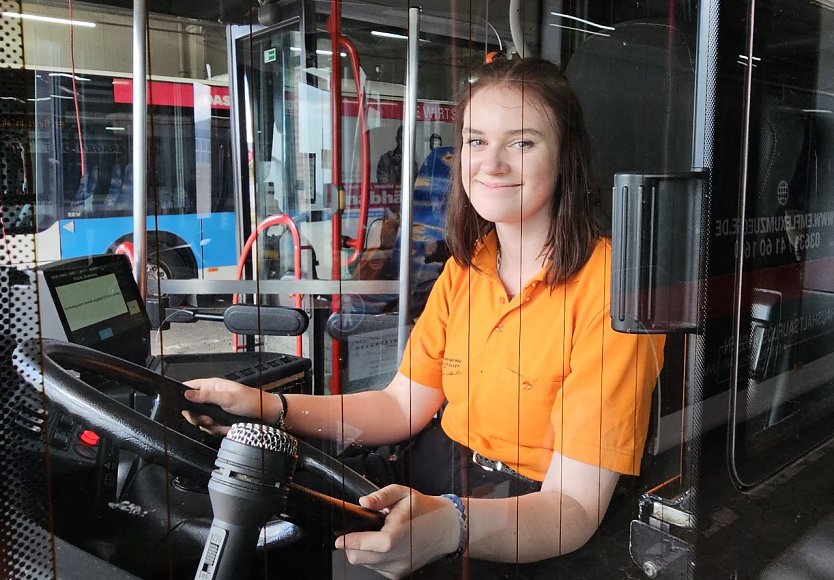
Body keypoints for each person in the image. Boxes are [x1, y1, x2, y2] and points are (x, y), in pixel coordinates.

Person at [184, 57, 665, 578]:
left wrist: (450, 525)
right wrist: (264, 407)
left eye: (522, 143)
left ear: (566, 156)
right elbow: (400, 406)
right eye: (477, 141)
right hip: (434, 469)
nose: (491, 164)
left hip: (521, 512)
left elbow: (573, 509)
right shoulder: (468, 267)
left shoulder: (613, 292)